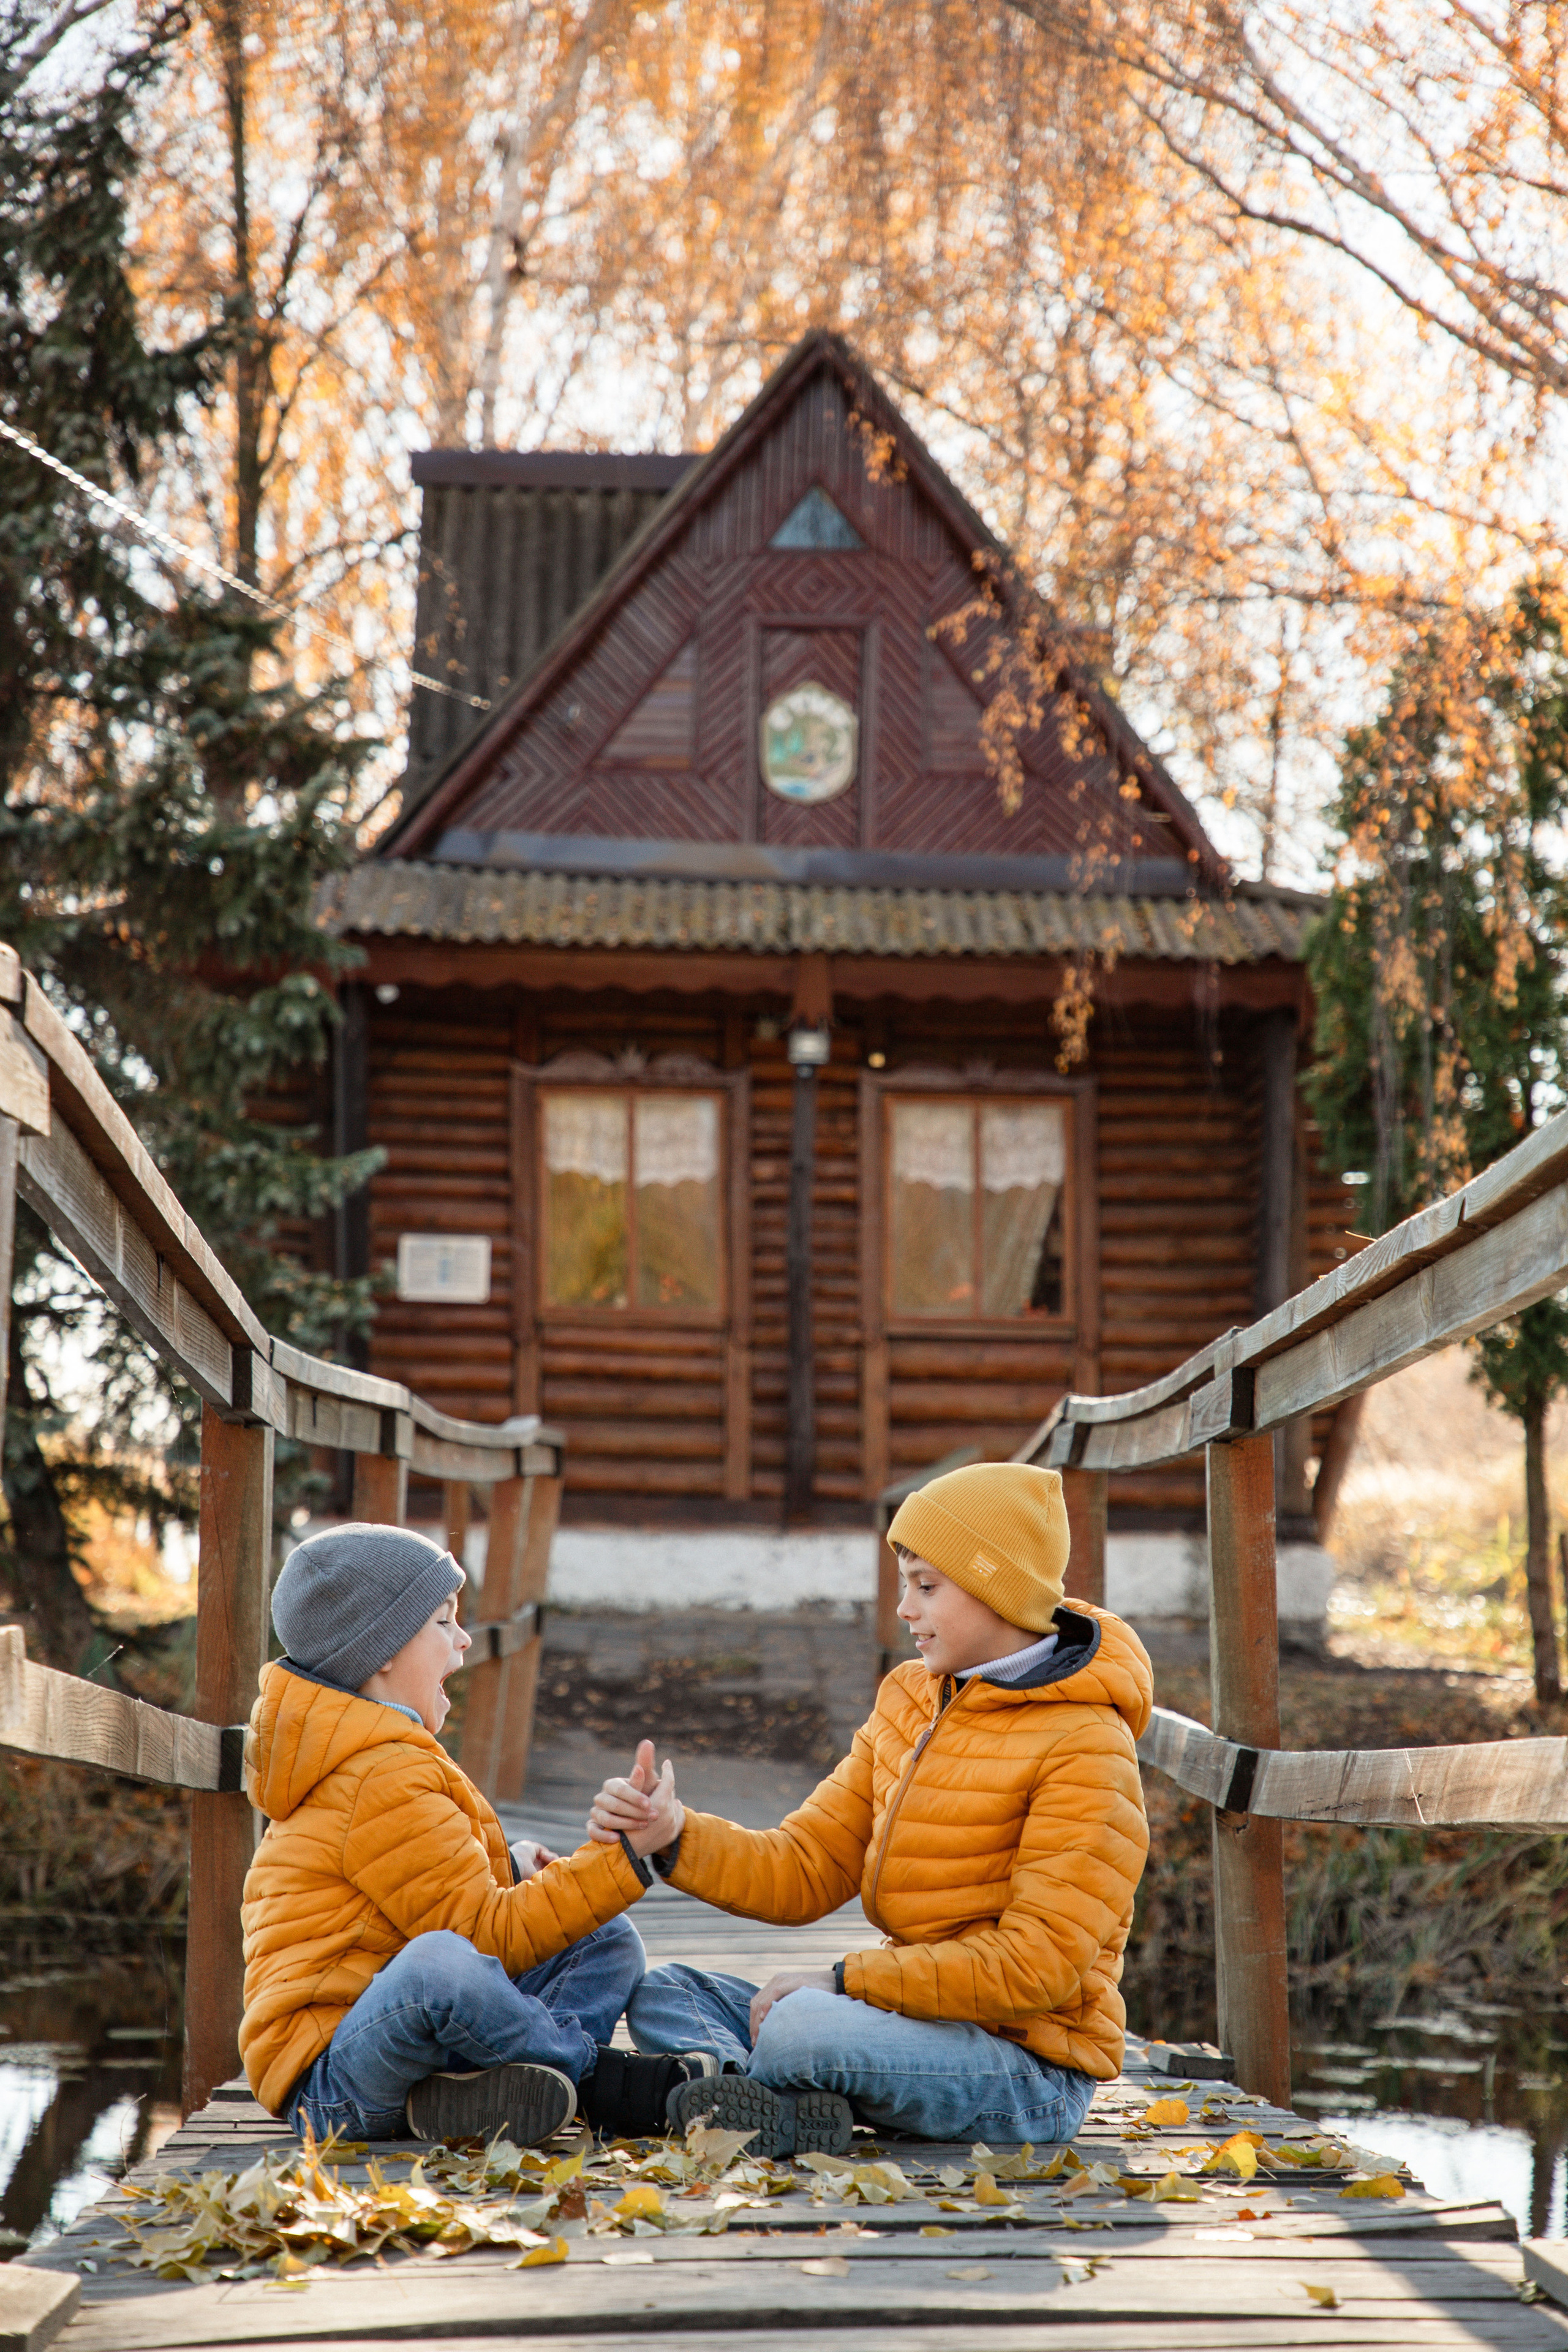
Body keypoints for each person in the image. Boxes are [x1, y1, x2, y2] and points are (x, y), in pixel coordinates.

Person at [589, 1463, 1152, 2155]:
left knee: (801, 2028)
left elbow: (1033, 1967)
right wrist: (671, 1835)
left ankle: (735, 2088)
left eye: (926, 1587)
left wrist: (841, 1980)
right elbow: (805, 1865)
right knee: (668, 1991)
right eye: (904, 1585)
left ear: (995, 1591)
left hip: (1028, 2071)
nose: (904, 1610)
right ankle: (752, 2100)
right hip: (911, 2020)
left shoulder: (1086, 1745)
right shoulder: (911, 1699)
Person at [239, 1521, 707, 2146]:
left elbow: (419, 1894)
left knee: (605, 1940)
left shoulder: (380, 1752)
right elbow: (481, 1936)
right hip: (333, 2084)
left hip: (394, 2039)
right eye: (442, 1621)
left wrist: (504, 1865)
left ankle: (501, 2086)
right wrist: (621, 1859)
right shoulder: (375, 1774)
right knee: (441, 1966)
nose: (463, 1641)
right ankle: (596, 2081)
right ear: (381, 1648)